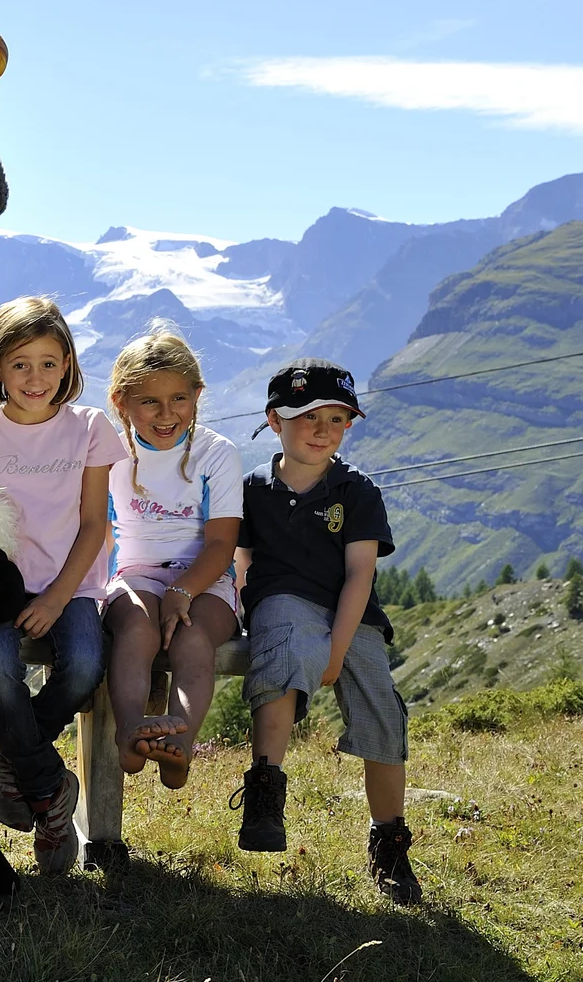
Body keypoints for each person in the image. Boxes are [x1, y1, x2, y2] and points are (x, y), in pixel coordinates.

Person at [231, 359, 421, 905]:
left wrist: (337, 652)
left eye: (337, 420)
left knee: (381, 708)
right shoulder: (252, 489)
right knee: (286, 649)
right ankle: (266, 789)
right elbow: (240, 560)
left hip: (349, 612)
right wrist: (240, 612)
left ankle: (389, 843)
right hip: (282, 601)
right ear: (274, 421)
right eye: (308, 416)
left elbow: (361, 575)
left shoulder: (357, 491)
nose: (322, 430)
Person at [0, 297, 121, 875]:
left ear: (69, 366)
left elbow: (92, 524)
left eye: (49, 362)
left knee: (83, 664)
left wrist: (59, 595)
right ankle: (52, 795)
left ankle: (13, 761)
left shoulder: (88, 429)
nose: (36, 377)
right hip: (2, 587)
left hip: (73, 582)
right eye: (20, 363)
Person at [101, 326, 241, 790]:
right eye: (149, 402)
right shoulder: (109, 452)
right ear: (121, 401)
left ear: (198, 395)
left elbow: (222, 544)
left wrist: (183, 591)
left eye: (179, 399)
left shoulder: (216, 454)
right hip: (134, 573)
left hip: (206, 578)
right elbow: (96, 530)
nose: (166, 415)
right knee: (137, 627)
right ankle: (130, 734)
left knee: (194, 637)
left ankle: (179, 744)